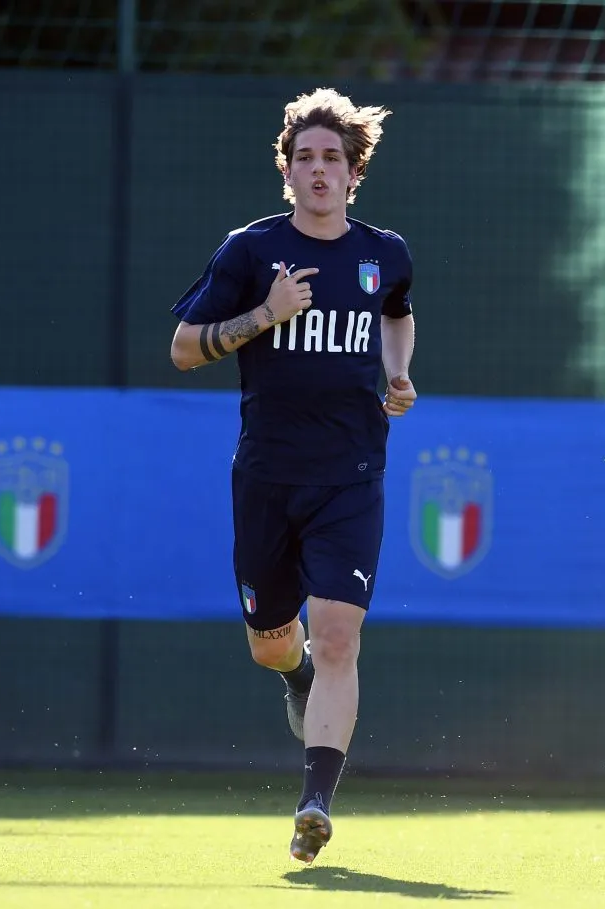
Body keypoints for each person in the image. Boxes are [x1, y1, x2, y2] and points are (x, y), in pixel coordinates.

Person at [169, 87, 417, 864]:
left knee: (341, 635)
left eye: (332, 159)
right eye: (304, 158)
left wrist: (399, 371)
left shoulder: (385, 253)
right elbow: (182, 347)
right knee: (273, 644)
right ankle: (295, 671)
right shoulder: (250, 251)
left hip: (351, 474)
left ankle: (315, 800)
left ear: (354, 173)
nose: (318, 170)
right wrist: (263, 316)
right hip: (268, 477)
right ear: (286, 170)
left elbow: (398, 311)